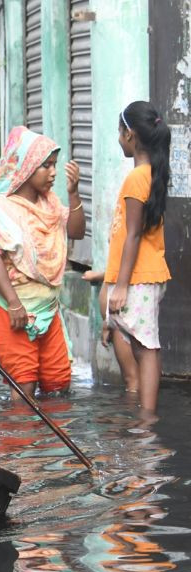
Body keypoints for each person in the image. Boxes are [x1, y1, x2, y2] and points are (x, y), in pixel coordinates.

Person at [0, 126, 86, 401]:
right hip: (14, 309)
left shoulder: (51, 206)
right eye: (46, 166)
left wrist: (74, 193)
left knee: (59, 384)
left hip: (48, 309)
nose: (53, 172)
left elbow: (77, 232)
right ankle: (20, 441)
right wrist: (14, 303)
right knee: (24, 385)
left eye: (54, 165)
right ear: (27, 166)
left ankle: (51, 445)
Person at [103, 102, 172, 412]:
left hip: (140, 276)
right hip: (146, 274)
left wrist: (120, 285)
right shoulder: (150, 174)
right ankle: (146, 415)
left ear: (130, 135)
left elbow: (132, 235)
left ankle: (147, 420)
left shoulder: (137, 178)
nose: (119, 139)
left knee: (146, 347)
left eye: (120, 133)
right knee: (143, 345)